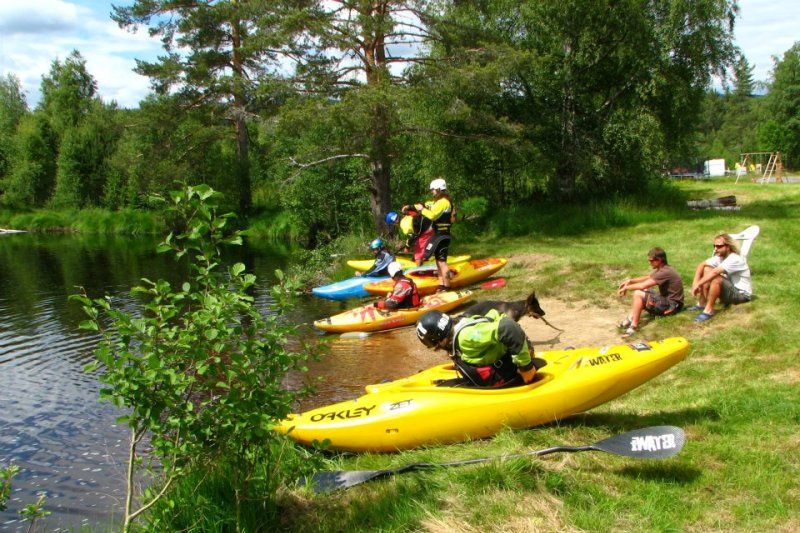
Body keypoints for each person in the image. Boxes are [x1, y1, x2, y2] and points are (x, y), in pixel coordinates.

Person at [415, 309, 542, 388]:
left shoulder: (466, 337)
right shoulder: (460, 323)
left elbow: (508, 328)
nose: (437, 348)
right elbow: (494, 314)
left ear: (438, 339)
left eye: (436, 345)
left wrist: (526, 368)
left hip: (511, 376)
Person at [617, 247, 684, 337]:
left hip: (672, 307)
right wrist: (631, 281)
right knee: (643, 292)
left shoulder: (664, 272)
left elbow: (642, 285)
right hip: (671, 303)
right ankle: (630, 318)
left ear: (659, 260)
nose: (649, 263)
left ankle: (633, 326)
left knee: (638, 293)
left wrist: (626, 288)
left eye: (651, 260)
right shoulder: (664, 269)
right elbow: (649, 277)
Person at [404, 178, 454, 292]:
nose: (432, 191)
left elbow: (432, 215)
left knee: (442, 262)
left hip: (443, 235)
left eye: (433, 190)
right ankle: (442, 285)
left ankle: (447, 286)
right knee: (438, 261)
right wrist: (410, 207)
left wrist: (422, 210)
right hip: (438, 235)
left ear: (438, 189)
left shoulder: (444, 202)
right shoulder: (438, 201)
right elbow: (425, 205)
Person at [690, 233, 752, 322]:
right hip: (730, 290)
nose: (715, 249)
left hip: (741, 295)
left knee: (716, 278)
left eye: (719, 246)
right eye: (714, 246)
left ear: (728, 246)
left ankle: (709, 310)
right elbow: (701, 265)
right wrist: (695, 283)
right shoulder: (720, 257)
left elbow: (715, 272)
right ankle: (702, 303)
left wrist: (699, 284)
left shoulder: (734, 259)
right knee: (706, 269)